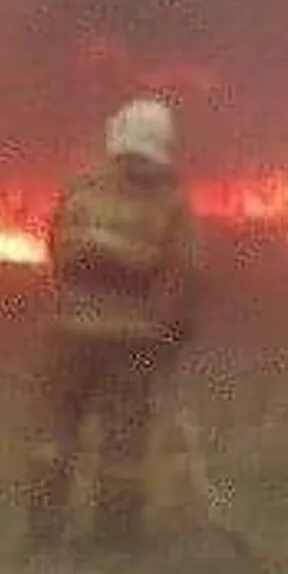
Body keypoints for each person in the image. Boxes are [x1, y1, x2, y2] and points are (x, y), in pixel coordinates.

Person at [25, 95, 201, 549]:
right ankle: (115, 540)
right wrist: (173, 331)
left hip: (68, 333)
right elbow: (181, 274)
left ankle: (44, 531)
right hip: (131, 339)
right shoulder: (170, 204)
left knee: (55, 432)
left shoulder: (79, 188)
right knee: (123, 443)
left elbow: (57, 249)